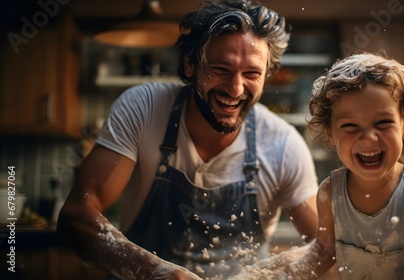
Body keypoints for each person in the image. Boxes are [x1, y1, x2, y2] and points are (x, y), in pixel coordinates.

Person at [57, 1, 319, 279]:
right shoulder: (144, 109)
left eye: (252, 73)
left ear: (266, 76)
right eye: (221, 69)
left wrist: (266, 273)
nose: (236, 88)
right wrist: (157, 272)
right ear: (190, 64)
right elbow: (77, 215)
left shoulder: (283, 144)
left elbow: (323, 244)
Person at [279, 53, 404, 279]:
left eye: (383, 123)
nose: (368, 138)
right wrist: (287, 275)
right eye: (350, 126)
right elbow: (324, 251)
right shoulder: (330, 193)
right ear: (331, 133)